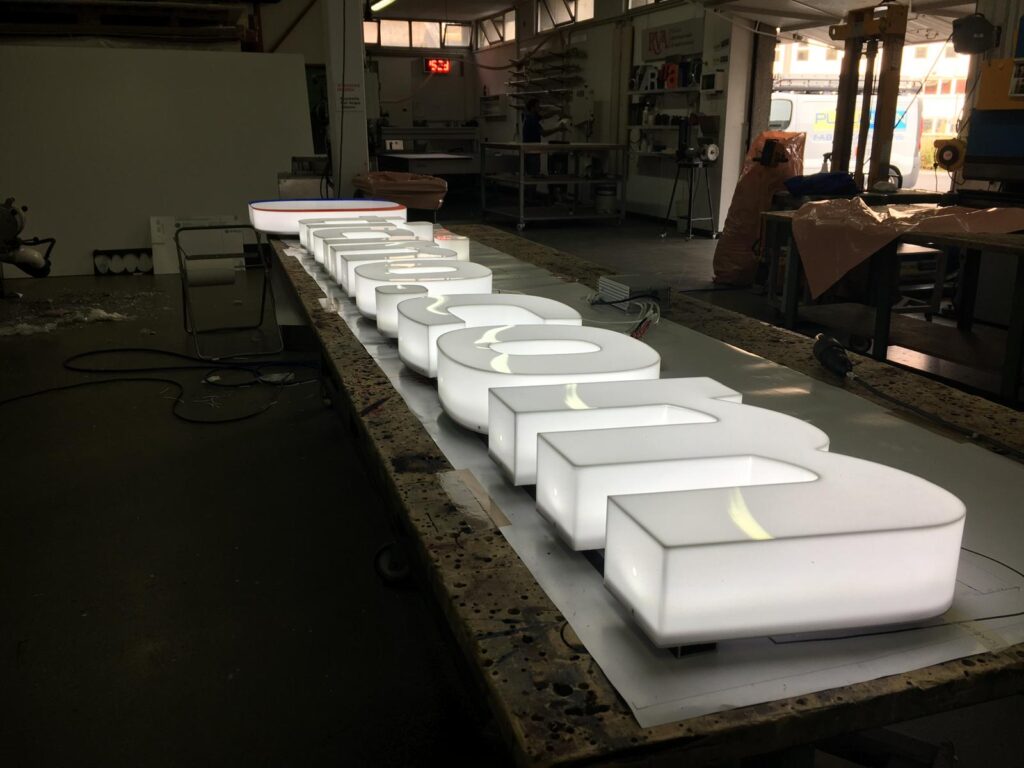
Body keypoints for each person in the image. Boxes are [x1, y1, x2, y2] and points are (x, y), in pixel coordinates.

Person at [522, 98, 570, 177]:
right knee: (533, 175)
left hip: (532, 150)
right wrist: (558, 129)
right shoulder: (532, 119)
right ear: (532, 108)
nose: (540, 108)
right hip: (531, 151)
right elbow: (544, 133)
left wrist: (557, 111)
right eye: (538, 106)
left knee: (533, 173)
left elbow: (545, 115)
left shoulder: (531, 117)